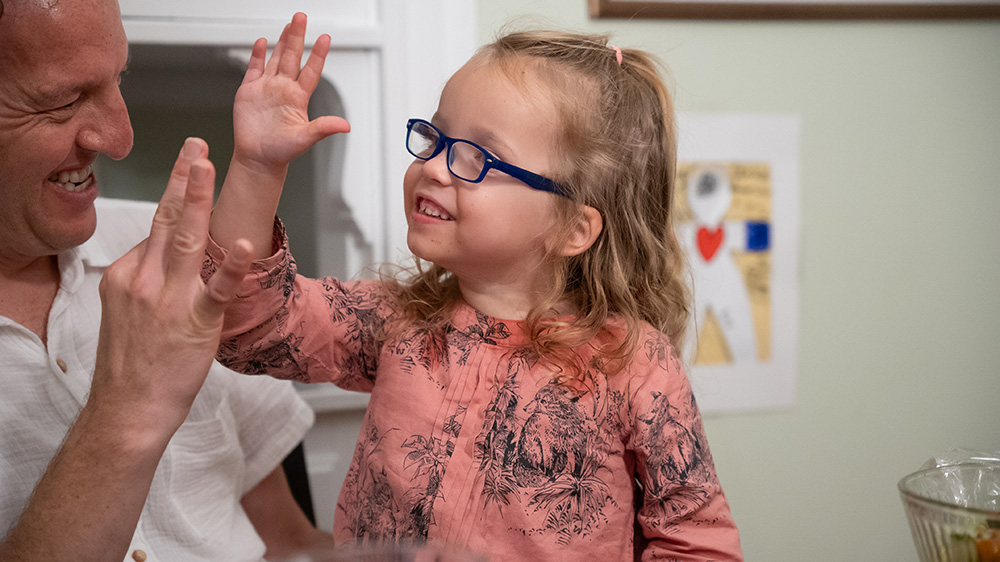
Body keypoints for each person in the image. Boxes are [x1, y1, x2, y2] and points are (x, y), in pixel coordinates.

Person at [205, 13, 743, 562]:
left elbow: (697, 542)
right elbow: (245, 326)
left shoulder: (635, 365)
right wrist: (255, 167)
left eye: (478, 158)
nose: (435, 167)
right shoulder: (398, 321)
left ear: (572, 228)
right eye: (436, 137)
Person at [0, 1, 334, 560]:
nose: (120, 137)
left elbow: (290, 542)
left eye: (119, 78)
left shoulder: (171, 253)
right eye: (63, 101)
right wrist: (127, 409)